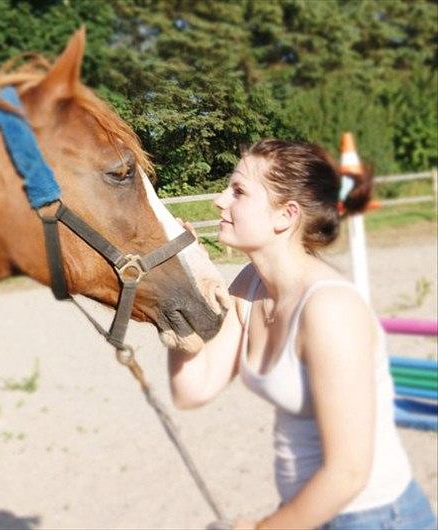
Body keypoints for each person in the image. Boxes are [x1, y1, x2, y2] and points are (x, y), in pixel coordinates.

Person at [170, 139, 437, 530]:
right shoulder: (250, 285)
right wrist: (178, 284)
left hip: (372, 518)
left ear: (285, 216)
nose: (219, 200)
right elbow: (192, 388)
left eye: (238, 191)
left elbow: (348, 473)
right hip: (309, 513)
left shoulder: (329, 310)